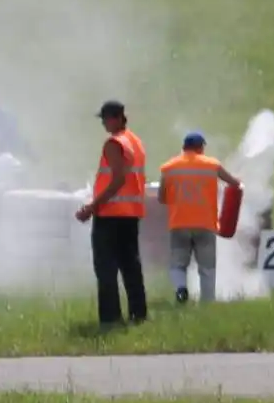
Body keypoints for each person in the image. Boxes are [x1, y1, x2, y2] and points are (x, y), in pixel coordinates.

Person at [74, 99, 148, 326]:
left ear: (115, 118)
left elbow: (118, 180)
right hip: (131, 214)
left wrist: (92, 207)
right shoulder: (135, 141)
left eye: (105, 119)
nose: (103, 124)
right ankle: (138, 314)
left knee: (106, 268)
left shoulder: (114, 143)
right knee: (131, 266)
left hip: (110, 215)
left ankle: (110, 318)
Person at [159, 132, 241, 304]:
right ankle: (208, 302)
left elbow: (162, 198)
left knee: (178, 264)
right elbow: (234, 183)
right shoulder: (212, 165)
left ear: (184, 147)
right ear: (201, 147)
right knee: (207, 267)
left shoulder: (169, 167)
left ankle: (181, 289)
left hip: (179, 223)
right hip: (205, 224)